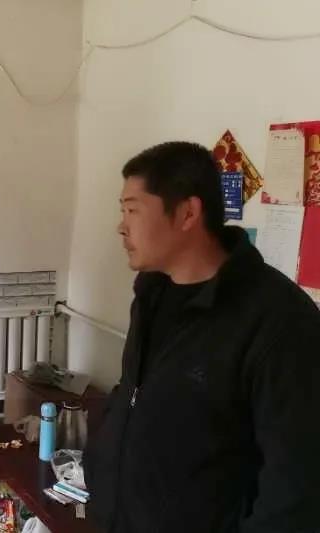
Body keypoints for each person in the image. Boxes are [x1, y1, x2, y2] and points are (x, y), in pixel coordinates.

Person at [85, 141, 320, 532]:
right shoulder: (151, 292)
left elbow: (296, 487)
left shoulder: (279, 321)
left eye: (132, 210)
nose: (121, 226)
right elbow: (134, 392)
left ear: (187, 213)